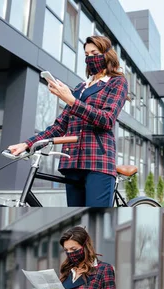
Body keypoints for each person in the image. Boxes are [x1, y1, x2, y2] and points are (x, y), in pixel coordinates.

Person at [8, 36, 129, 207]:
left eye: (95, 53)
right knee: (75, 222)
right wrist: (26, 144)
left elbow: (107, 119)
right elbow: (59, 127)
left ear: (107, 54)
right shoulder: (80, 88)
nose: (90, 58)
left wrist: (70, 100)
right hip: (72, 162)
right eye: (87, 54)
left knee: (96, 224)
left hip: (98, 162)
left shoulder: (117, 82)